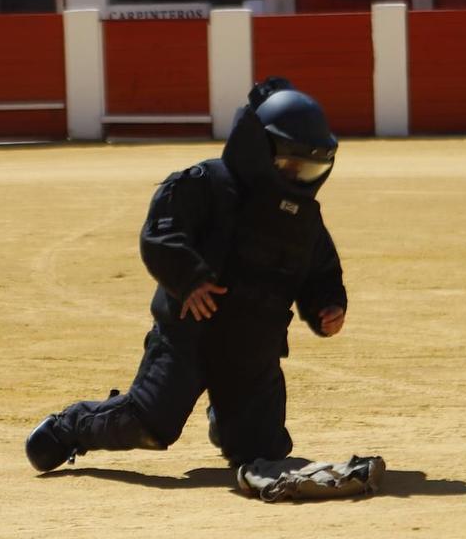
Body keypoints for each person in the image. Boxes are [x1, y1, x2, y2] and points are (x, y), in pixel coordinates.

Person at [24, 80, 370, 499]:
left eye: (308, 169)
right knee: (150, 425)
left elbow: (321, 273)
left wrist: (328, 307)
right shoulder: (207, 183)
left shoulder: (304, 219)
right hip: (190, 337)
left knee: (260, 451)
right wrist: (189, 280)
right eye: (289, 164)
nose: (297, 176)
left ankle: (225, 416)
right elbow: (161, 236)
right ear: (259, 148)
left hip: (254, 350)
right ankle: (70, 427)